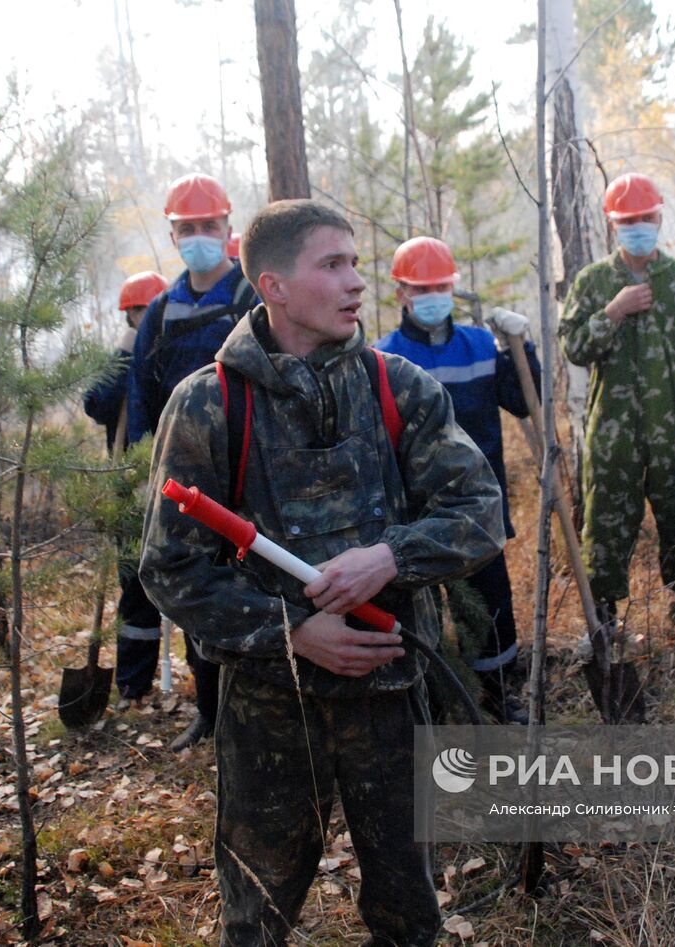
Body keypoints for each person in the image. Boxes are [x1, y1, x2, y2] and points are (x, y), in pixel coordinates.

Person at [139, 199, 504, 946]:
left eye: (356, 264)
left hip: (392, 702)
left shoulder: (397, 388)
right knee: (257, 920)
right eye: (332, 265)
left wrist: (389, 557)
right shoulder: (208, 404)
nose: (356, 283)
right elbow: (170, 567)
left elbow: (480, 512)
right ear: (272, 285)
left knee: (409, 914)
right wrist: (294, 630)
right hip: (271, 712)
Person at [558, 172, 675, 652]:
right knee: (605, 524)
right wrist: (613, 312)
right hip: (612, 433)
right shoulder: (595, 282)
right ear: (613, 226)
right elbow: (574, 347)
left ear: (660, 218)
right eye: (628, 220)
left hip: (674, 430)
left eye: (646, 218)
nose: (638, 226)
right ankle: (602, 621)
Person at [373, 236, 539, 723]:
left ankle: (498, 695)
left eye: (441, 285)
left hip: (480, 506)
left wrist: (520, 348)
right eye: (421, 287)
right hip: (413, 511)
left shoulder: (482, 345)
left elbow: (524, 401)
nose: (432, 295)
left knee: (492, 606)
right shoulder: (382, 357)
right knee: (420, 611)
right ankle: (430, 700)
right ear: (401, 292)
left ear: (454, 287)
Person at [127, 173, 258, 747]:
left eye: (210, 226)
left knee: (256, 585)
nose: (200, 236)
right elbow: (139, 396)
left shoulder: (252, 297)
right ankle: (209, 710)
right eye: (189, 229)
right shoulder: (159, 312)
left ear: (228, 229)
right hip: (184, 480)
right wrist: (140, 470)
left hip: (251, 466)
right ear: (173, 235)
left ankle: (256, 707)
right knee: (196, 589)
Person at [83, 270, 168, 710]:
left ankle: (204, 682)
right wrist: (121, 358)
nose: (144, 315)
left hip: (175, 485)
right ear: (129, 314)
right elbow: (95, 405)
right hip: (130, 488)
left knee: (184, 578)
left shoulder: (172, 349)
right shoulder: (119, 356)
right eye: (138, 309)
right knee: (134, 588)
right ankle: (134, 685)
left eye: (150, 306)